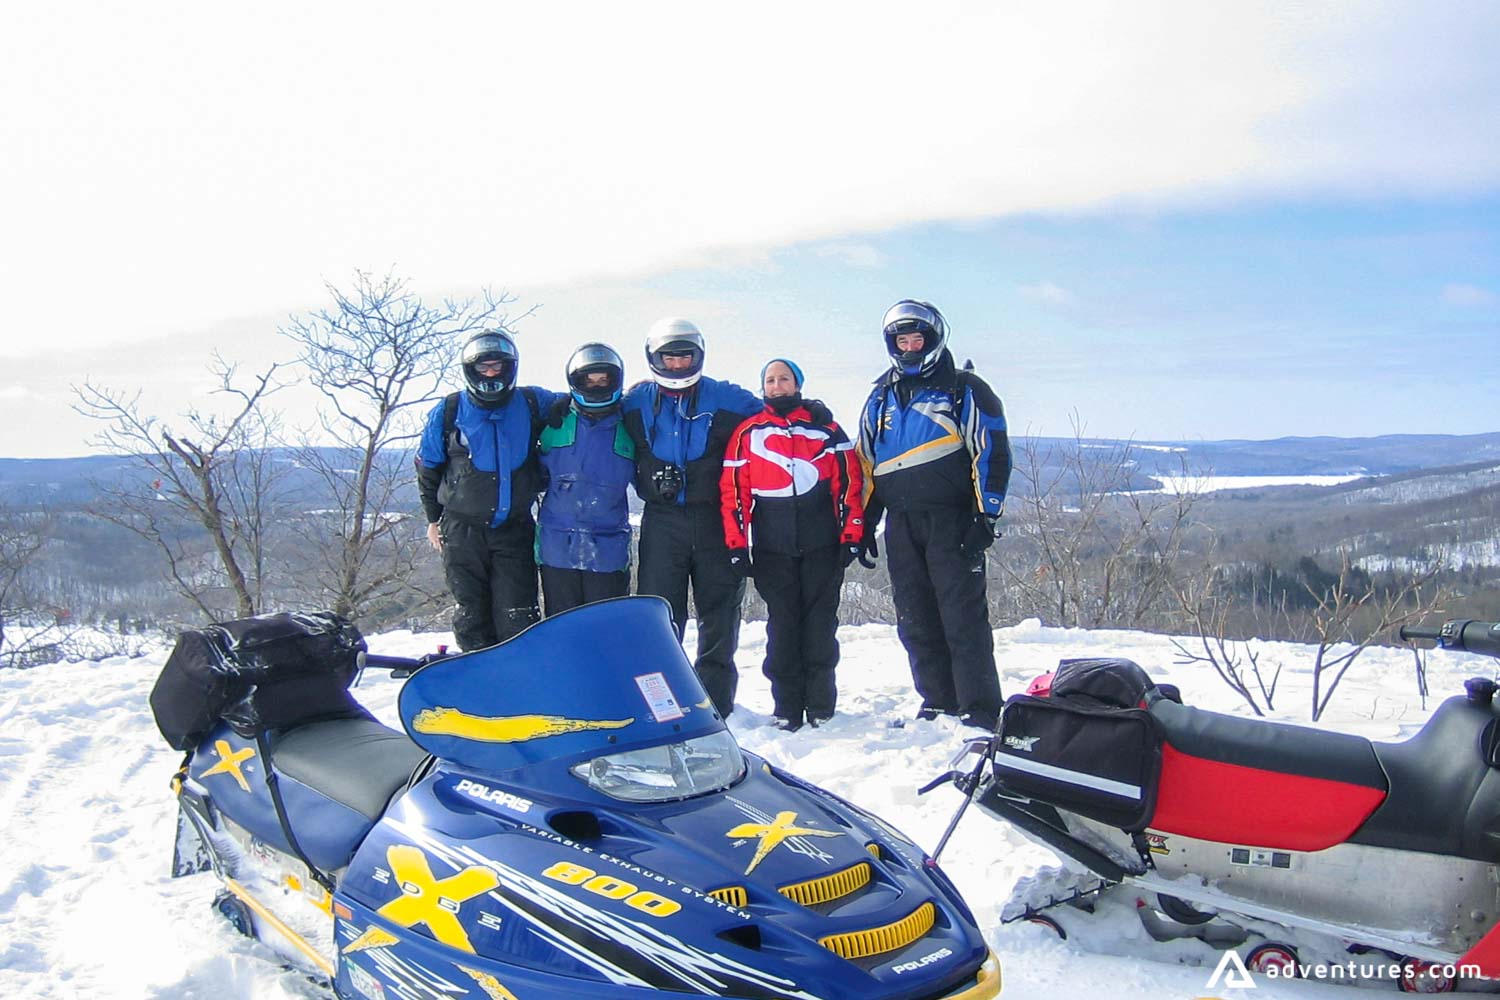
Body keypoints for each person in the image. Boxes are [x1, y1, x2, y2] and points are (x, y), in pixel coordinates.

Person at [856, 300, 1012, 731]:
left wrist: (987, 514)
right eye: (901, 340)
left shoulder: (963, 388)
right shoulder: (880, 395)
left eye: (916, 338)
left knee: (962, 617)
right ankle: (938, 698)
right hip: (901, 524)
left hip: (953, 519)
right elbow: (865, 463)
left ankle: (979, 706)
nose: (908, 347)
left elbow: (991, 449)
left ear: (933, 338)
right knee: (915, 616)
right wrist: (864, 522)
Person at [622, 318, 760, 718]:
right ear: (654, 358)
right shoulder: (635, 402)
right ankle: (661, 699)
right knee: (659, 613)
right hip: (661, 518)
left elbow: (772, 415)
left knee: (719, 610)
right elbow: (589, 408)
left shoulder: (727, 397)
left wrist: (805, 409)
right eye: (670, 357)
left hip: (714, 517)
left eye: (685, 357)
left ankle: (716, 700)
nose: (678, 365)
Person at [721, 359, 865, 732]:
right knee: (782, 628)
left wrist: (852, 534)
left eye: (784, 378)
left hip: (822, 544)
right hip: (773, 546)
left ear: (798, 383)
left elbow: (849, 483)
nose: (777, 385)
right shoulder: (748, 433)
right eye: (770, 380)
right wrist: (737, 545)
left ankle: (820, 706)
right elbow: (734, 492)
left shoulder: (826, 429)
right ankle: (786, 707)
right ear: (763, 387)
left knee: (819, 626)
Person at [415, 329, 559, 650]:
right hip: (462, 528)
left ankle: (520, 685)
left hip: (515, 527)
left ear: (511, 368)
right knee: (471, 614)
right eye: (484, 368)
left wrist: (631, 394)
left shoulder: (533, 402)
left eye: (498, 367)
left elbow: (579, 400)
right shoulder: (449, 410)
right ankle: (480, 689)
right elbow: (428, 467)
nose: (492, 374)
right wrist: (432, 519)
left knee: (518, 613)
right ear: (471, 369)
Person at [535, 343, 635, 615]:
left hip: (608, 547)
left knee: (606, 628)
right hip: (557, 545)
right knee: (562, 626)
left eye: (604, 380)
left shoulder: (631, 423)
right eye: (588, 380)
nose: (596, 386)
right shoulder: (554, 422)